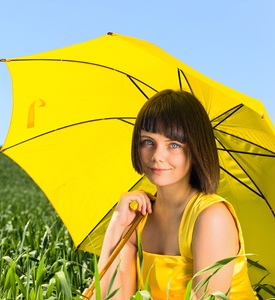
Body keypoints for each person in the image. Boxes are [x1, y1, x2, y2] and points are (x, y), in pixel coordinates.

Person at [94, 89, 256, 299]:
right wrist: (118, 224)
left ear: (197, 149)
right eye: (148, 142)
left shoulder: (211, 217)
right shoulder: (138, 220)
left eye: (174, 145)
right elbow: (109, 297)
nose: (157, 156)